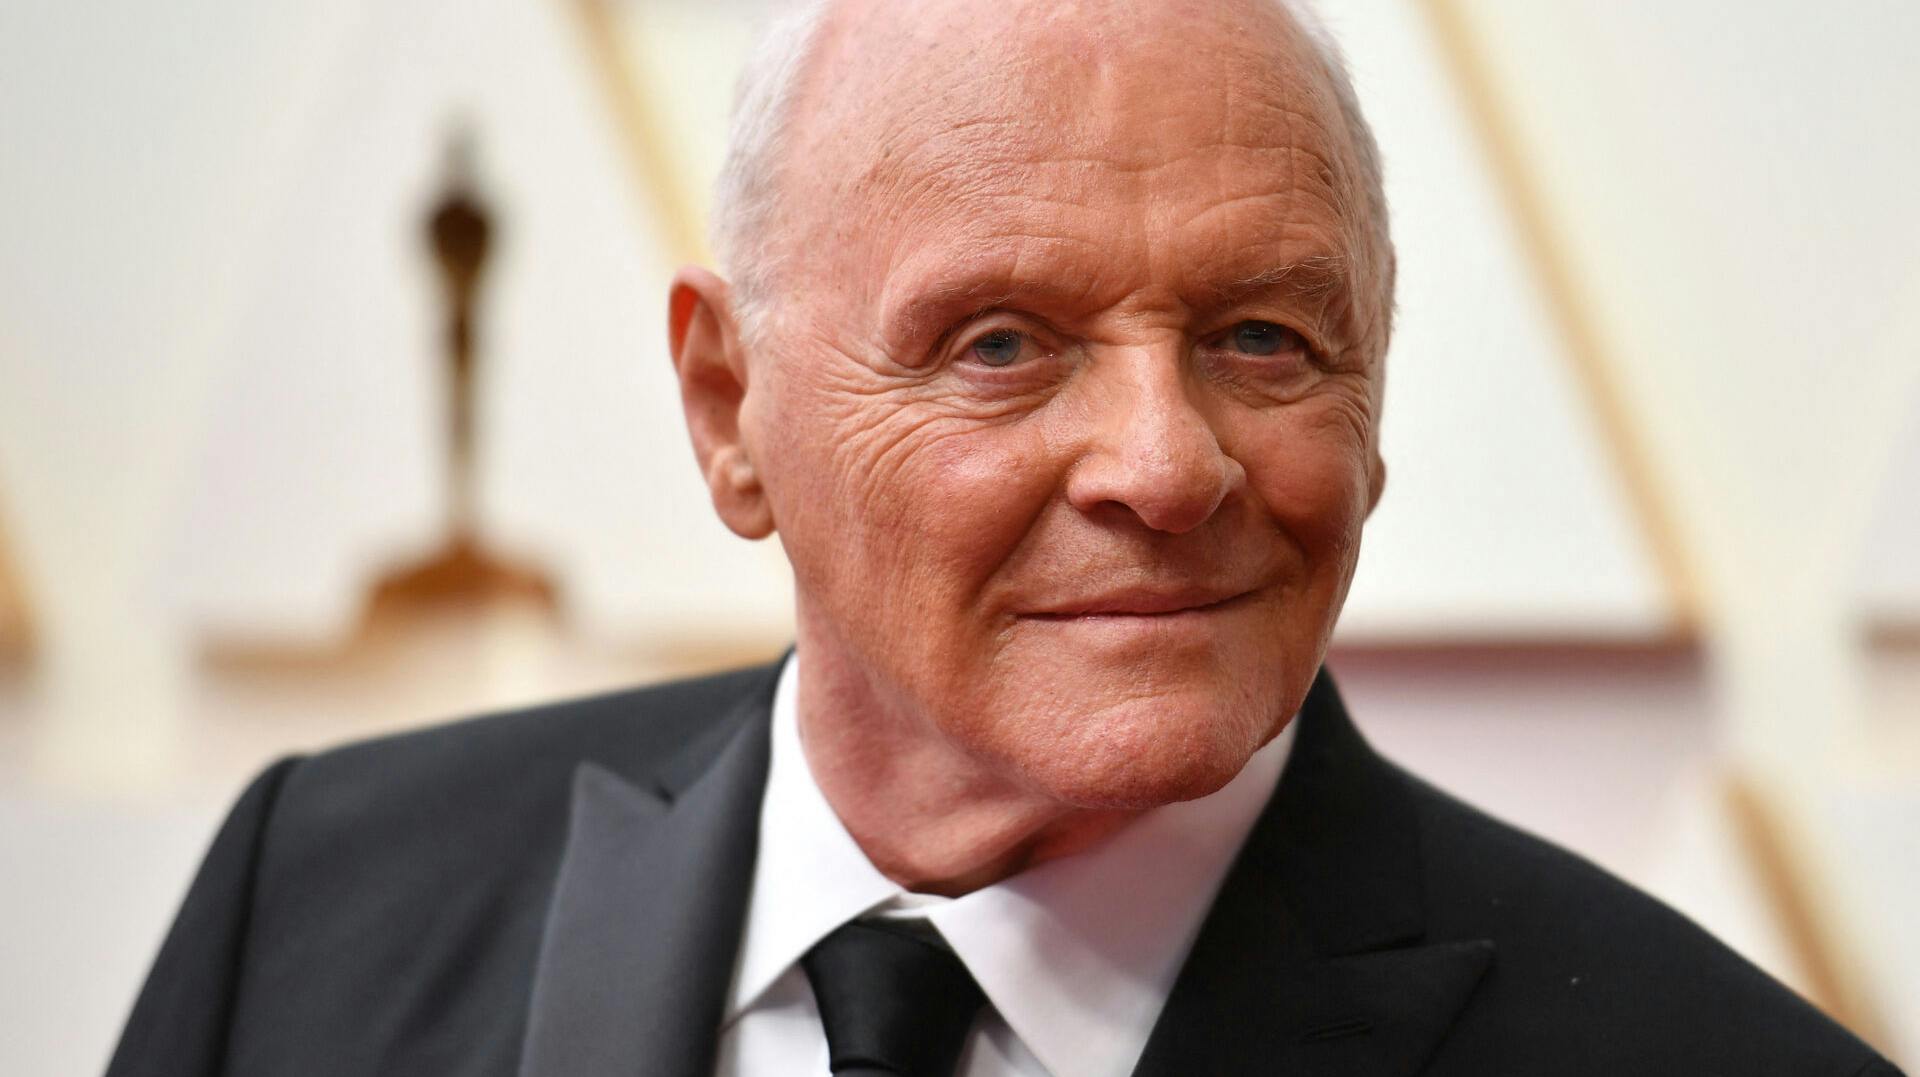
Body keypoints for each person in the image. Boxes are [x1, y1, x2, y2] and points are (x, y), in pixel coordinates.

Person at [108, 0, 1901, 1074]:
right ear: (734, 412)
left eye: (1261, 337)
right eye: (1001, 345)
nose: (1164, 461)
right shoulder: (318, 907)